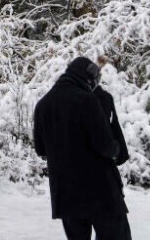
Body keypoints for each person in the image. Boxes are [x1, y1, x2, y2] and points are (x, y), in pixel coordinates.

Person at [33, 57, 132, 240]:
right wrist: (117, 150)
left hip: (65, 191)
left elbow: (40, 149)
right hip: (99, 189)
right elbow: (104, 145)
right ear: (88, 77)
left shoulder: (43, 104)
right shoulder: (87, 100)